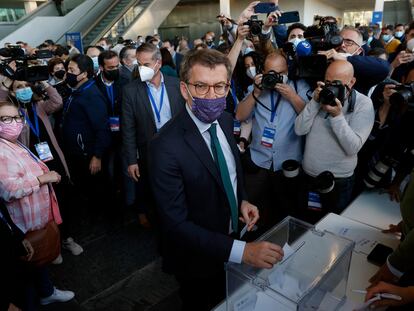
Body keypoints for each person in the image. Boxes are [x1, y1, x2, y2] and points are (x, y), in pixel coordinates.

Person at [148, 49, 284, 311]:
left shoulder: (223, 119)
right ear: (185, 90)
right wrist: (243, 252)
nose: (212, 96)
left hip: (233, 236)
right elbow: (175, 225)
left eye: (220, 87)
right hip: (197, 261)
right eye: (201, 87)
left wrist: (241, 199)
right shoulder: (164, 146)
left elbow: (228, 171)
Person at [0, 100, 74, 309]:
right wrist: (42, 179)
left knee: (37, 262)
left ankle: (47, 292)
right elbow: (9, 190)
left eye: (16, 117)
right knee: (27, 272)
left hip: (33, 217)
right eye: (5, 119)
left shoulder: (13, 143)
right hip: (21, 222)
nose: (13, 122)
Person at [236, 52, 310, 226]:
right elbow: (240, 115)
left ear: (288, 71)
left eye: (281, 73)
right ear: (263, 72)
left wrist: (292, 96)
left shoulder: (299, 86)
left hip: (288, 163)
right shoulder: (256, 88)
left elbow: (309, 118)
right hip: (259, 161)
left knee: (286, 211)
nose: (276, 78)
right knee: (257, 211)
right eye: (272, 73)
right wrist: (255, 92)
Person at [295, 60, 375, 214]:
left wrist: (337, 116)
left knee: (331, 226)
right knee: (305, 219)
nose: (330, 87)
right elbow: (299, 130)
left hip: (338, 181)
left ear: (351, 82)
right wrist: (314, 102)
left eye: (336, 83)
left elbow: (353, 147)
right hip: (308, 176)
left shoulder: (363, 104)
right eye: (327, 82)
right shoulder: (319, 96)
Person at [122, 43, 185, 227]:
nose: (141, 69)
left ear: (158, 63)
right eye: (138, 64)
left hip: (176, 146)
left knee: (176, 183)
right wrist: (132, 160)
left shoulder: (176, 85)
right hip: (148, 147)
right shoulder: (131, 90)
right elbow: (128, 128)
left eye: (146, 64)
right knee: (147, 183)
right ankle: (146, 213)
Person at [61, 54, 112, 216]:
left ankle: (100, 220)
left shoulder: (91, 95)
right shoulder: (77, 90)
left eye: (71, 70)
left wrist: (97, 156)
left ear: (84, 74)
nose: (67, 73)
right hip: (77, 152)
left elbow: (102, 128)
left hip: (88, 153)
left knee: (95, 190)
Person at [319, 26, 390, 95]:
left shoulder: (363, 70)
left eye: (349, 42)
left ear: (359, 51)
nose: (342, 45)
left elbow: (384, 67)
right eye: (338, 40)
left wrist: (346, 58)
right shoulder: (325, 62)